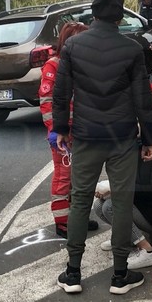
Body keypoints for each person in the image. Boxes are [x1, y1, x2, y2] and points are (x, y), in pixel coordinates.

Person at [52, 0, 152, 296]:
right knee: (122, 202)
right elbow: (142, 98)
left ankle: (72, 273)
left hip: (85, 136)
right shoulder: (131, 48)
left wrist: (61, 128)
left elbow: (62, 92)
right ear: (120, 18)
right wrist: (149, 138)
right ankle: (120, 275)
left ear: (93, 16)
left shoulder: (73, 46)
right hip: (123, 137)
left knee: (80, 200)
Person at [94, 111, 152, 269]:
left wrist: (116, 189)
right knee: (99, 205)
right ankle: (125, 237)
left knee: (111, 207)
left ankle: (147, 251)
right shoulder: (139, 147)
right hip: (149, 206)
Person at [39, 22, 98, 238]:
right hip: (63, 134)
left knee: (80, 178)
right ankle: (63, 223)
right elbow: (46, 101)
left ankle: (77, 217)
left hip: (82, 131)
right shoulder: (54, 65)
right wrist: (54, 130)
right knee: (64, 177)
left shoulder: (81, 64)